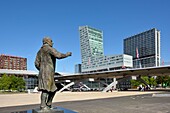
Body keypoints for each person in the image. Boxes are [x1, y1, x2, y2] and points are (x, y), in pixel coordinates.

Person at [35, 37, 72, 110]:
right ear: (47, 41)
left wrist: (42, 69)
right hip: (48, 72)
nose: (52, 42)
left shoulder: (39, 51)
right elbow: (58, 55)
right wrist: (67, 54)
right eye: (51, 41)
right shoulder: (49, 49)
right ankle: (43, 106)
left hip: (43, 72)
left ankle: (48, 104)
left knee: (53, 89)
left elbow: (36, 63)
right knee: (45, 89)